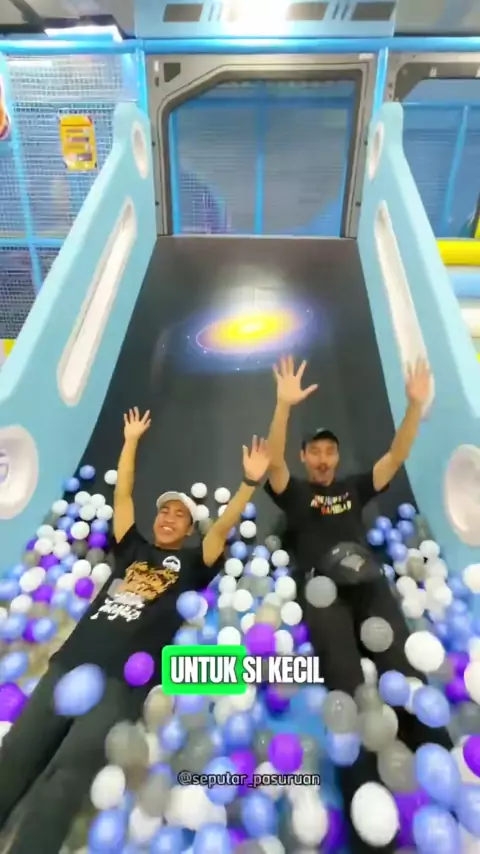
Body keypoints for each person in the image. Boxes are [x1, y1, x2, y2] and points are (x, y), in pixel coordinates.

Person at [0, 407, 271, 854]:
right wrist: (130, 442)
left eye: (179, 515)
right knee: (15, 755)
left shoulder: (192, 564)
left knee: (66, 778)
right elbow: (123, 494)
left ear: (189, 529)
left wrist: (248, 483)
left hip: (120, 682)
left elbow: (222, 527)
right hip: (71, 663)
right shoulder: (133, 549)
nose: (168, 517)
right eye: (164, 510)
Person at [265, 356, 451, 854]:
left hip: (368, 582)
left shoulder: (352, 489)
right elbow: (273, 463)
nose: (324, 459)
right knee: (345, 684)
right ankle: (368, 818)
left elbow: (396, 455)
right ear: (305, 457)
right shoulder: (296, 494)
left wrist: (414, 406)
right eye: (315, 452)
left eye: (330, 451)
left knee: (403, 672)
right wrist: (283, 406)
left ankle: (444, 780)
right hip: (323, 590)